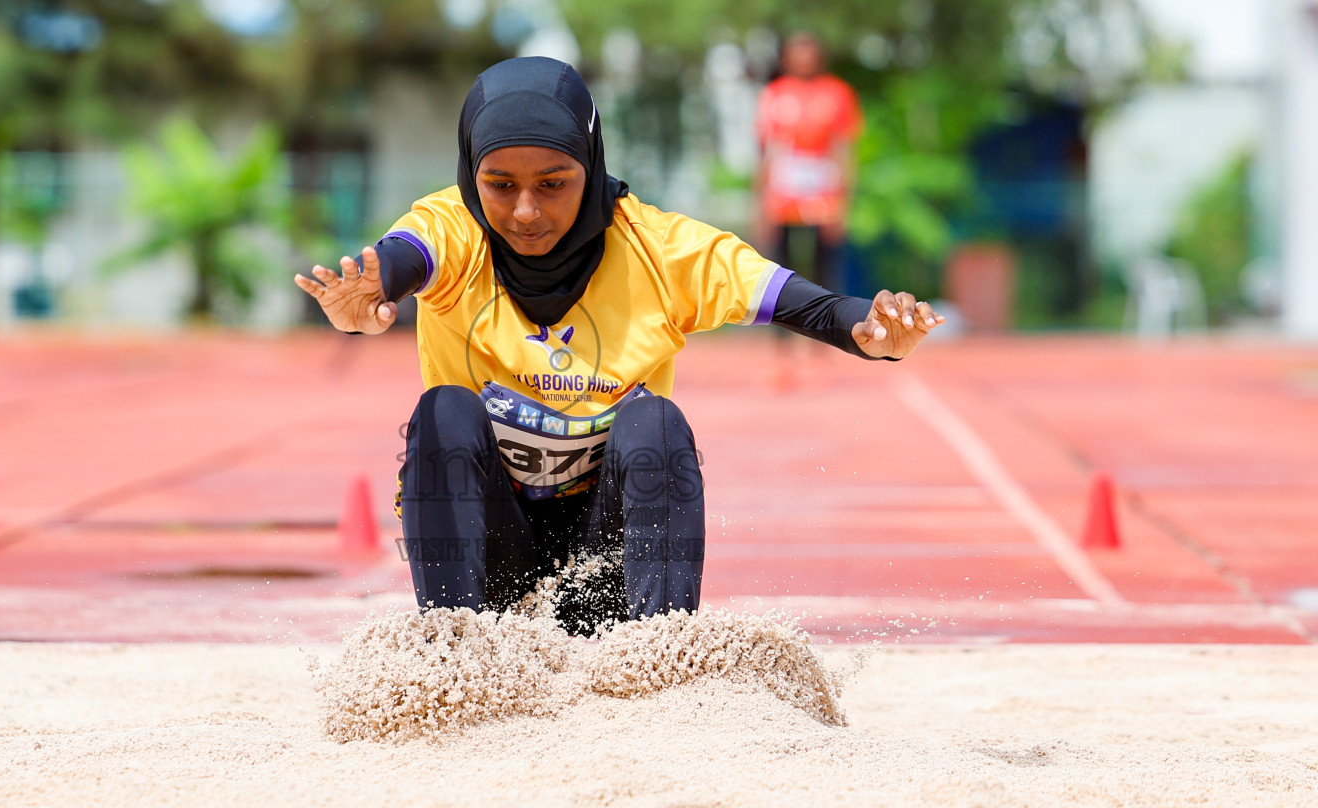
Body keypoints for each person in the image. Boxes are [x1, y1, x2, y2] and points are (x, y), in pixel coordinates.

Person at [295, 57, 941, 635]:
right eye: (499, 184)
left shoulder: (661, 249)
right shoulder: (454, 230)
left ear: (592, 161)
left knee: (655, 422)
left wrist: (877, 330)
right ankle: (454, 658)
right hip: (493, 573)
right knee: (442, 411)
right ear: (471, 173)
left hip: (605, 576)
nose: (525, 211)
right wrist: (372, 290)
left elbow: (814, 306)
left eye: (554, 183)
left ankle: (657, 659)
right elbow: (405, 254)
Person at [754, 32, 861, 295]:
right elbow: (767, 151)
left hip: (823, 184)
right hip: (784, 186)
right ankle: (783, 323)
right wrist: (760, 200)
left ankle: (828, 320)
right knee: (781, 259)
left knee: (826, 258)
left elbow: (843, 147)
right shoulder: (774, 94)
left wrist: (844, 198)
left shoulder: (837, 93)